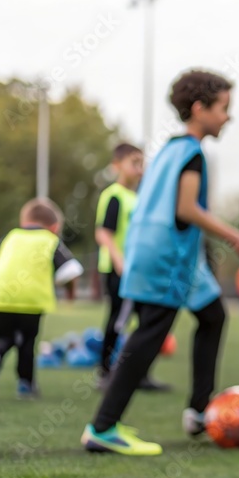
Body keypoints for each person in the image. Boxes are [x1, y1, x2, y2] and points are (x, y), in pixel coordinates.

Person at [81, 69, 239, 456]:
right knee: (149, 336)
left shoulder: (168, 149)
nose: (228, 117)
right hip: (167, 258)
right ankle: (102, 427)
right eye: (223, 108)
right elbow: (186, 209)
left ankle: (198, 411)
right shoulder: (192, 154)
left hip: (163, 254)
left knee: (213, 316)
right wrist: (237, 237)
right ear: (200, 109)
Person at [0, 198, 84, 399]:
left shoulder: (10, 236)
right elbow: (71, 271)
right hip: (32, 301)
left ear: (24, 221)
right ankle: (25, 385)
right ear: (54, 227)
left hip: (2, 297)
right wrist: (71, 293)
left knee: (6, 337)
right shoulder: (51, 241)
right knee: (27, 343)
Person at [95, 142, 170, 392]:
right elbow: (104, 234)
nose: (139, 169)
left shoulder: (137, 198)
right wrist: (120, 262)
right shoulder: (114, 196)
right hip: (119, 272)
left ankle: (140, 374)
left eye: (142, 163)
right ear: (117, 166)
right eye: (134, 163)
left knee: (146, 322)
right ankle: (105, 373)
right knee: (118, 320)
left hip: (139, 271)